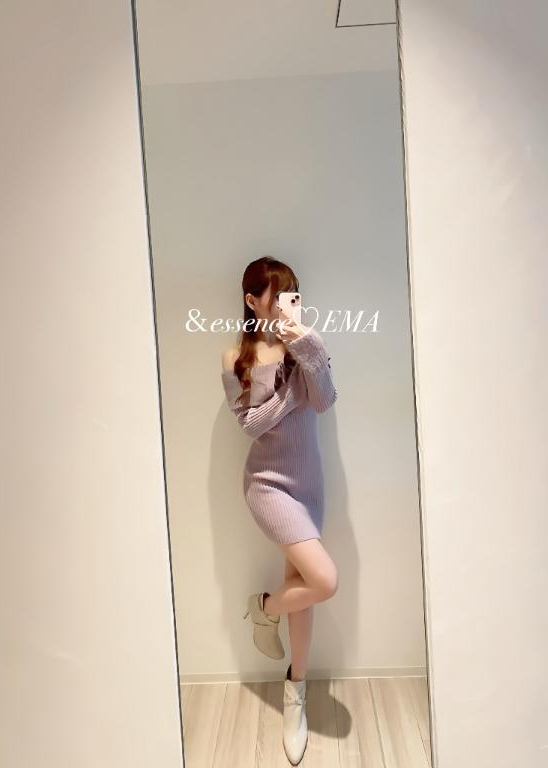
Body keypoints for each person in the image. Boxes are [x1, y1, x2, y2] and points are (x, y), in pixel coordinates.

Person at [220, 255, 339, 765]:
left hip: (309, 483)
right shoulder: (235, 357)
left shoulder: (306, 344)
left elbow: (325, 400)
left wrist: (304, 343)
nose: (288, 302)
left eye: (293, 292)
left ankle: (296, 691)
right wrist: (291, 387)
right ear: (253, 301)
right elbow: (252, 424)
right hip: (267, 485)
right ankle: (264, 608)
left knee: (305, 586)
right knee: (324, 580)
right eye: (278, 294)